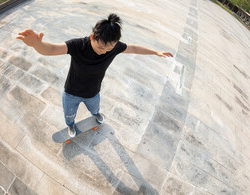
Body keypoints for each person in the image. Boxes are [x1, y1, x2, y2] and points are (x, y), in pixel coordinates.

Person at [16, 13, 173, 138]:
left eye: (108, 49)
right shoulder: (78, 45)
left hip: (93, 92)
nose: (103, 51)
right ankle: (70, 125)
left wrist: (156, 52)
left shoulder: (114, 47)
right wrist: (38, 44)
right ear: (92, 37)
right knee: (69, 115)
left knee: (95, 109)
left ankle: (95, 114)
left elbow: (133, 48)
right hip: (72, 93)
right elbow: (51, 50)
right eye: (100, 47)